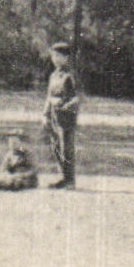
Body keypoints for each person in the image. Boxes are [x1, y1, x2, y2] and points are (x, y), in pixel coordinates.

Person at [43, 41, 80, 188]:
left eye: (59, 56)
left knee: (66, 148)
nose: (56, 59)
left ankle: (70, 180)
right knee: (55, 147)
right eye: (53, 56)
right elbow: (49, 96)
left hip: (66, 116)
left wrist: (64, 106)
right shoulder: (53, 75)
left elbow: (77, 97)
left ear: (66, 58)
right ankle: (62, 177)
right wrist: (45, 115)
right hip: (53, 115)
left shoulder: (70, 76)